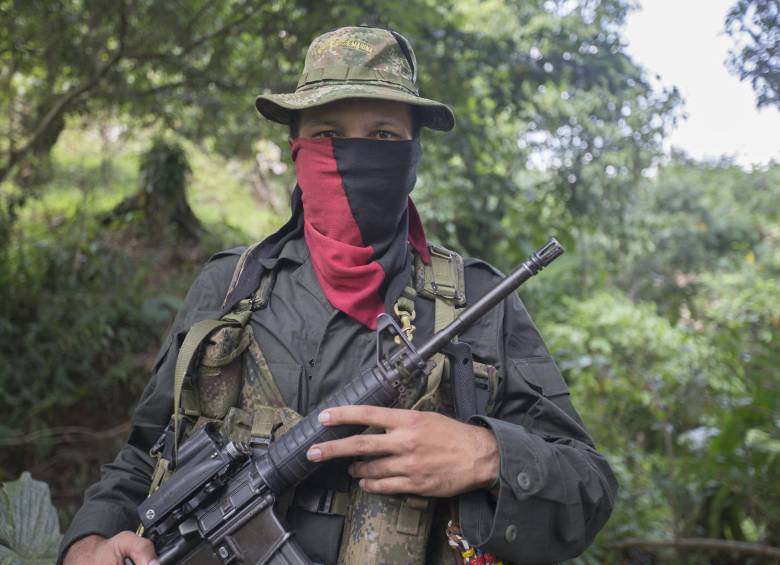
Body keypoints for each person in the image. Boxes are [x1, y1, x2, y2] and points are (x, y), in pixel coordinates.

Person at [60, 26, 617, 565]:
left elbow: (588, 488)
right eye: (328, 135)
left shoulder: (478, 302)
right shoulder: (231, 285)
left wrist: (488, 456)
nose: (355, 156)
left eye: (383, 136)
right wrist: (89, 544)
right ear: (296, 149)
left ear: (414, 154)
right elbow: (145, 455)